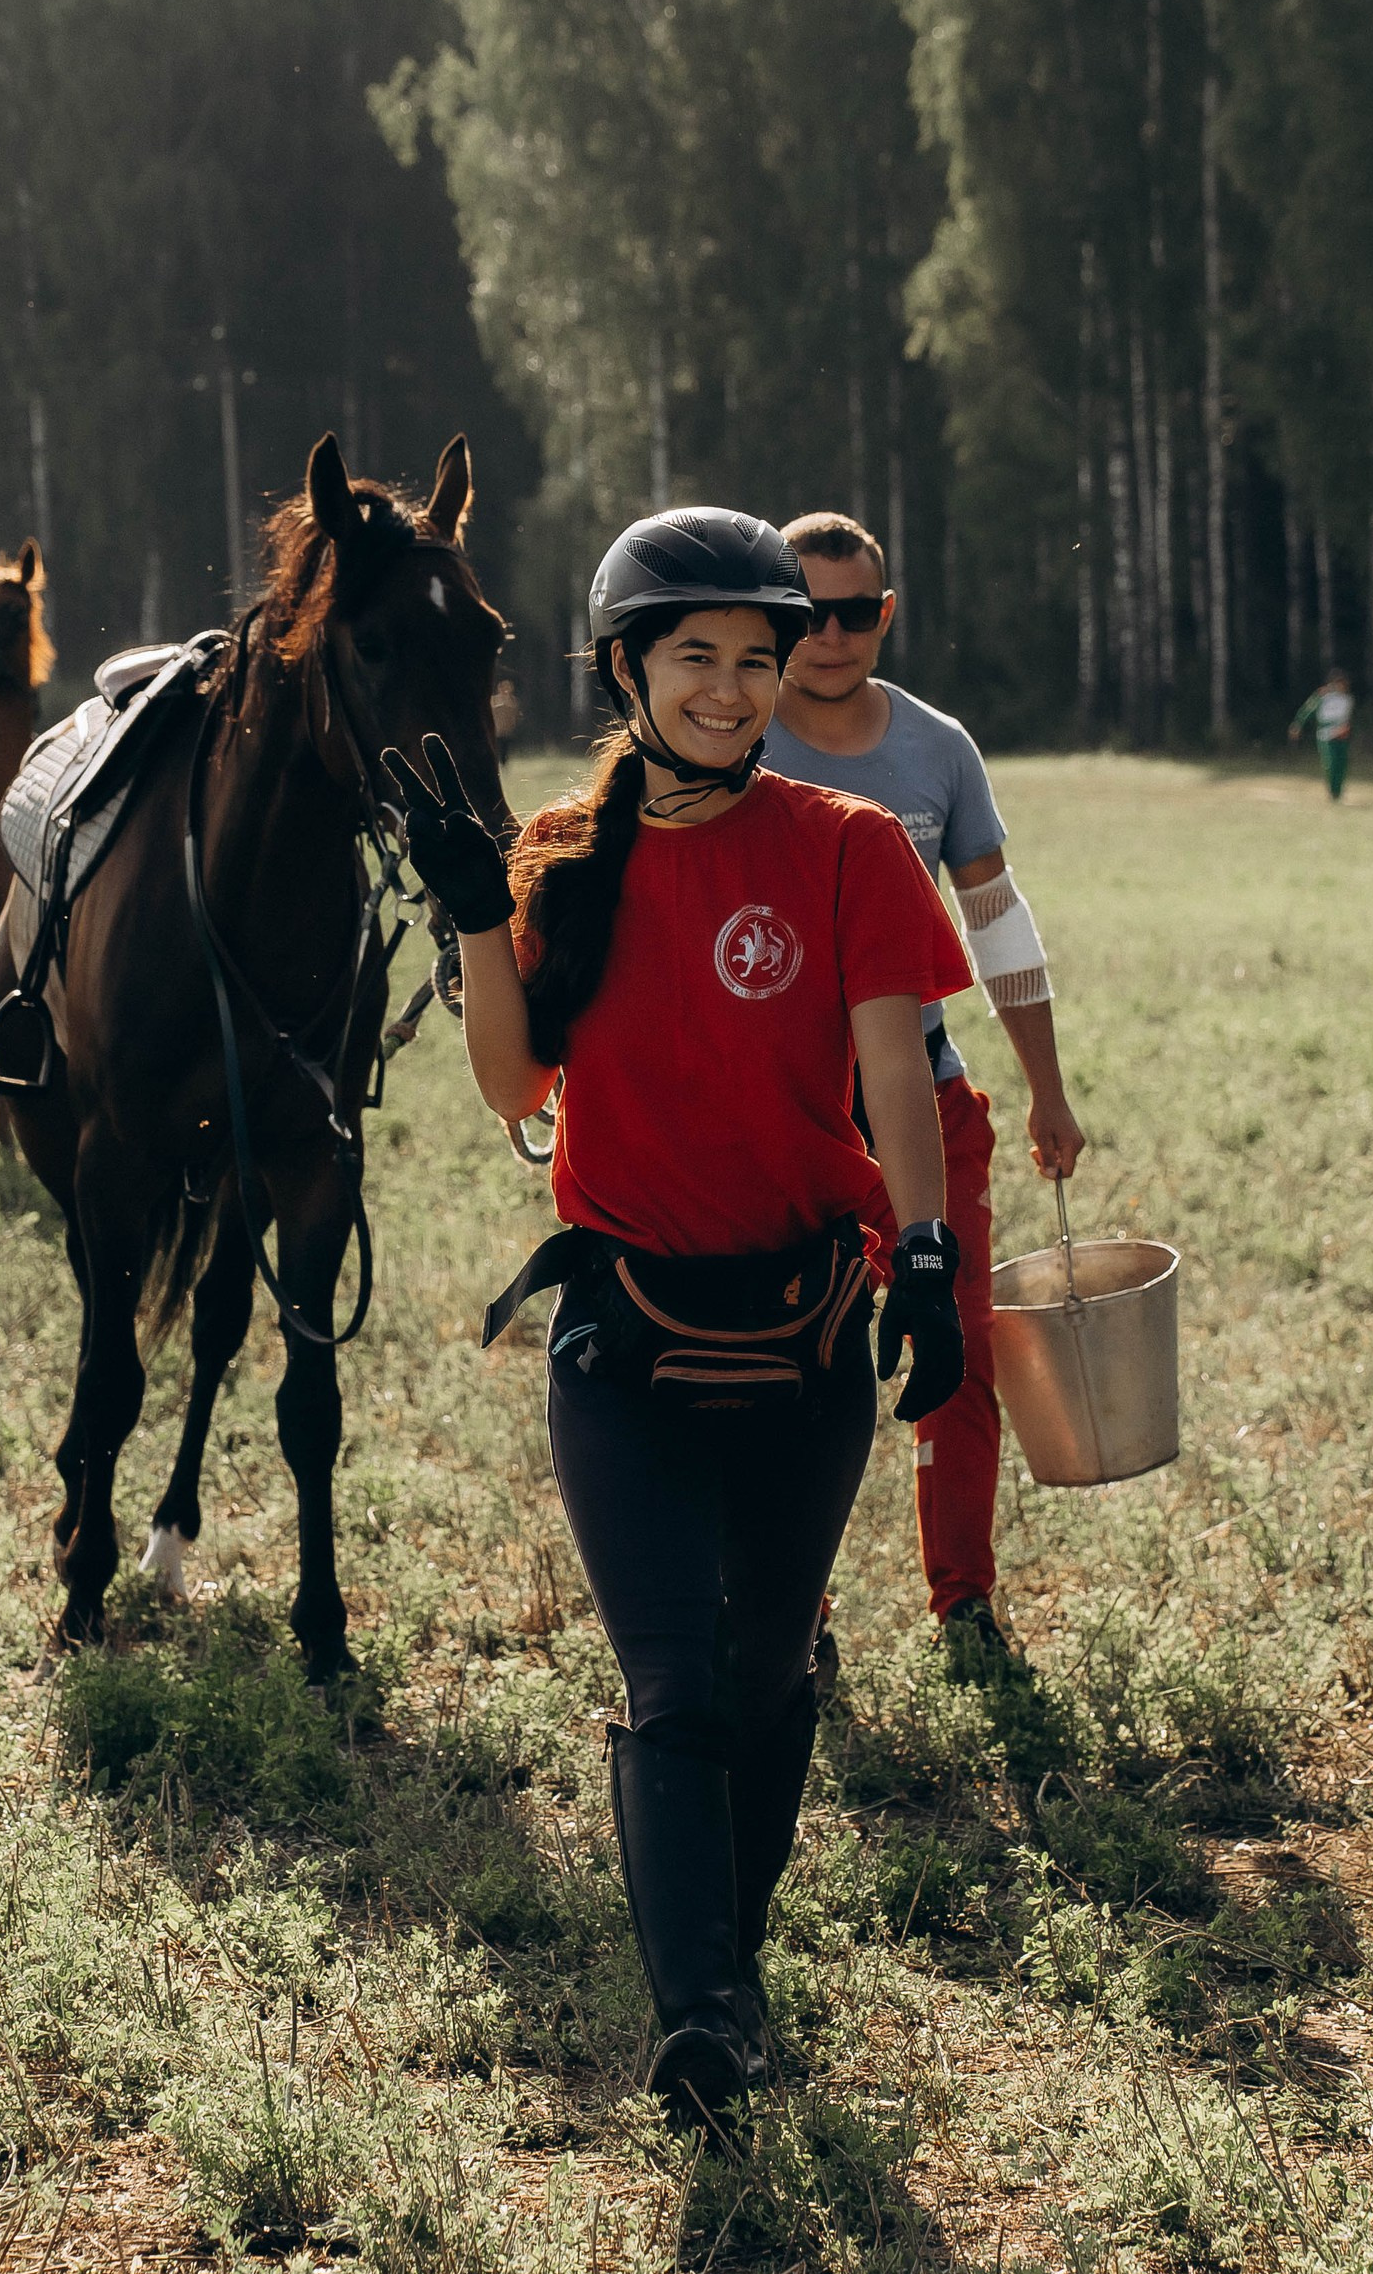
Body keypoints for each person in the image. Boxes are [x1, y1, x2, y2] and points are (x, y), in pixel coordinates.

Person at [389, 508, 971, 2137]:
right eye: (695, 656)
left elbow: (893, 1059)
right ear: (628, 666)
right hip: (623, 1343)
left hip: (806, 1334)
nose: (731, 687)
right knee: (676, 1685)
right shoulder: (561, 858)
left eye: (758, 658)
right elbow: (514, 1087)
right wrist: (472, 918)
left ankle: (735, 1963)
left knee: (775, 1678)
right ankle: (700, 2022)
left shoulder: (849, 844)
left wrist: (924, 1248)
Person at [760, 510, 1085, 1671]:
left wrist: (1047, 1089)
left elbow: (997, 923)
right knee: (798, 1369)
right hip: (782, 1115)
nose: (831, 634)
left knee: (956, 1354)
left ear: (885, 615)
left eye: (855, 612)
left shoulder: (939, 748)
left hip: (929, 1100)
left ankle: (967, 1606)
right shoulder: (733, 738)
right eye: (806, 612)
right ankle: (798, 1620)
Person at [1291, 665, 1355, 801]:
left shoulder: (1347, 698)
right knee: (1330, 763)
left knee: (1341, 764)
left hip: (1342, 734)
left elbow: (1348, 718)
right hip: (1326, 733)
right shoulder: (1323, 695)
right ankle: (1332, 791)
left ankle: (1338, 792)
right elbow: (1308, 710)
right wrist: (1298, 723)